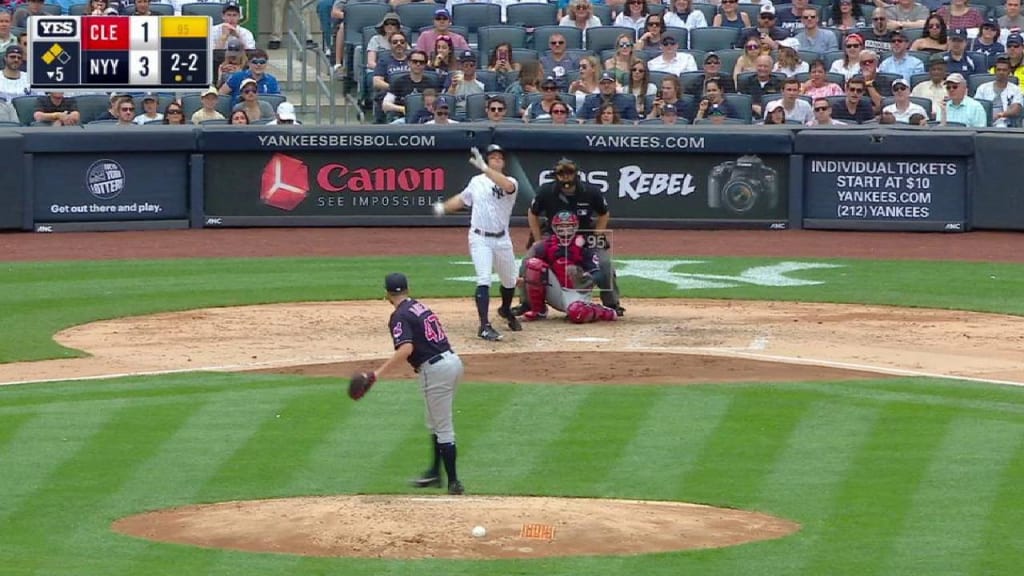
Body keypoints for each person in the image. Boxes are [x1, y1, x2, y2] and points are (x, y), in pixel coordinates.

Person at [368, 272, 466, 496]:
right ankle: (434, 472)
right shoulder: (418, 306)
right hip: (453, 362)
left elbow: (406, 349)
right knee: (435, 421)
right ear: (407, 289)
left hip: (435, 370)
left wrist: (377, 373)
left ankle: (454, 483)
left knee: (443, 427)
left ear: (386, 294)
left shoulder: (399, 315)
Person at [432, 145, 521, 341]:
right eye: (493, 157)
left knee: (509, 280)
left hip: (502, 238)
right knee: (484, 279)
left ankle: (505, 310)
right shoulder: (476, 181)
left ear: (504, 162)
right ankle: (484, 325)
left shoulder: (511, 181)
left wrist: (485, 169)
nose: (496, 159)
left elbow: (507, 187)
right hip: (480, 237)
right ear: (488, 160)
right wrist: (443, 208)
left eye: (500, 157)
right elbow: (463, 199)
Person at [516, 157, 623, 317]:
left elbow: (604, 213)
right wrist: (538, 238)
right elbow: (533, 213)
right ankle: (526, 303)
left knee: (605, 263)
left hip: (584, 236)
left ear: (576, 174)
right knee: (527, 262)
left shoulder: (590, 191)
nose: (565, 177)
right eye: (561, 173)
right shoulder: (545, 191)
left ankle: (612, 303)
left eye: (569, 172)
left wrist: (597, 235)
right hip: (553, 236)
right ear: (556, 175)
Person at [521, 211, 619, 324]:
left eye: (568, 225)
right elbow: (528, 265)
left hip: (577, 292)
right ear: (554, 228)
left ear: (575, 227)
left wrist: (586, 277)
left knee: (576, 313)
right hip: (555, 289)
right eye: (561, 226)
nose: (565, 229)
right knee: (534, 264)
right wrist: (521, 278)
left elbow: (599, 273)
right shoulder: (545, 245)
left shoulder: (584, 245)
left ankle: (602, 311)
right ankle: (539, 311)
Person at [383, 50, 440, 123]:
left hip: (427, 119)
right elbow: (385, 105)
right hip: (403, 119)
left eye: (421, 62)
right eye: (415, 61)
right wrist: (402, 109)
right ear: (409, 63)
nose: (418, 64)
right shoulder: (399, 82)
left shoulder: (431, 83)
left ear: (425, 64)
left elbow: (439, 104)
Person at [975, 55, 1023, 127]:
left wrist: (1000, 115)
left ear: (1009, 72)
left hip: (1007, 125)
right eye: (999, 70)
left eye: (1004, 70)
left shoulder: (1016, 89)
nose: (1001, 72)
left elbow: (1016, 109)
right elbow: (976, 107)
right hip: (985, 124)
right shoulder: (983, 88)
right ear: (994, 71)